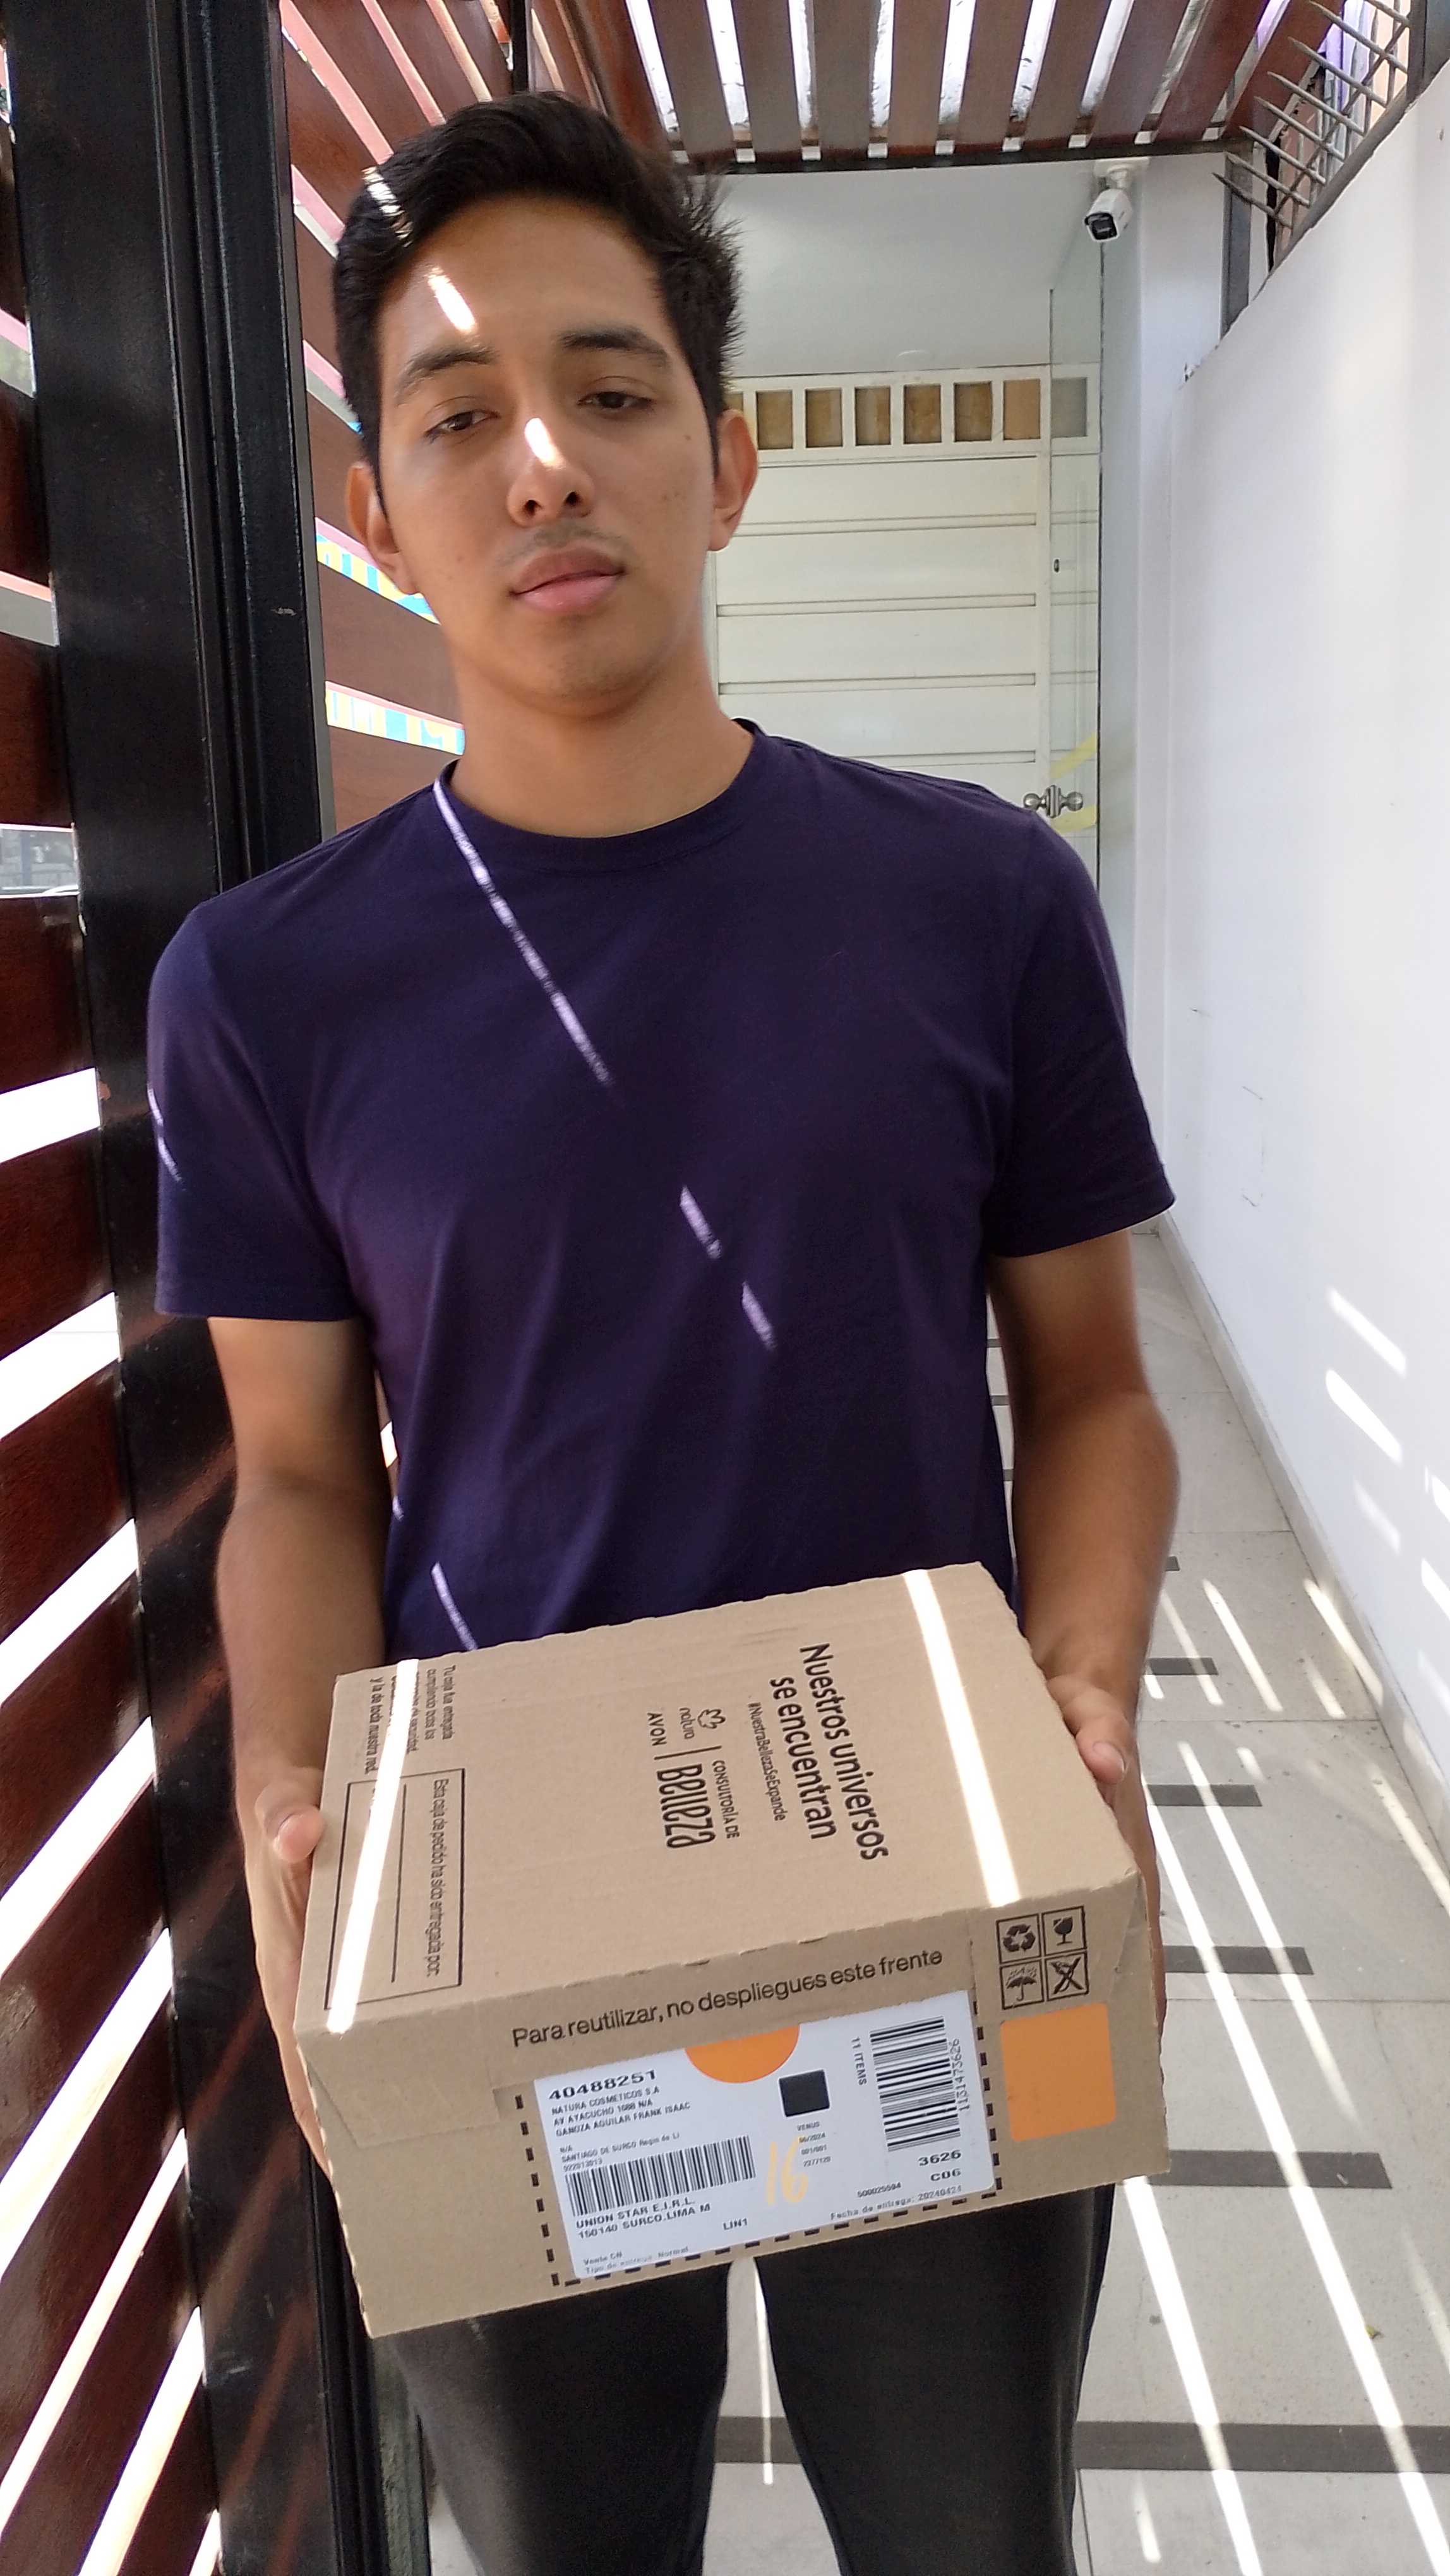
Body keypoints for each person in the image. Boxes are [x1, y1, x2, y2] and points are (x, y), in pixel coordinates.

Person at [147, 93, 1177, 2576]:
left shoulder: (979, 904)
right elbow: (299, 1473)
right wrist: (296, 1827)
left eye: (610, 392)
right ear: (379, 510)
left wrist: (1084, 1701)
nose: (543, 464)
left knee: (970, 2535)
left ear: (725, 462)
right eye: (457, 415)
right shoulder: (268, 993)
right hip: (501, 1937)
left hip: (925, 1885)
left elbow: (1095, 1391)